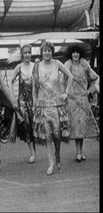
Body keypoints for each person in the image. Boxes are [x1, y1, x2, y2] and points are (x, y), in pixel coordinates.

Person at [32, 41, 73, 175]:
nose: (47, 53)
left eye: (49, 50)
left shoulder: (57, 64)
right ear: (41, 52)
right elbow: (34, 87)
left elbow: (70, 76)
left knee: (57, 135)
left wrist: (66, 92)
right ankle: (50, 163)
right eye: (44, 50)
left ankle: (58, 155)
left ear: (52, 51)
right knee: (47, 136)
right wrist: (34, 103)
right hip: (43, 106)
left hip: (57, 106)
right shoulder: (37, 66)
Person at [64, 44, 99, 162]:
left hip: (83, 101)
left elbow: (95, 79)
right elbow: (61, 81)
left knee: (82, 127)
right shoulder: (67, 66)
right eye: (73, 52)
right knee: (76, 127)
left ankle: (80, 152)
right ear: (70, 54)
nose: (75, 54)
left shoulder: (85, 65)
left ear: (80, 54)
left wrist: (89, 91)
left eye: (77, 52)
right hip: (72, 101)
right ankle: (78, 152)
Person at [9, 44, 36, 163]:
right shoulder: (18, 67)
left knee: (36, 126)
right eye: (25, 53)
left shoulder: (35, 66)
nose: (27, 55)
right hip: (23, 102)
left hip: (35, 101)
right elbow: (10, 82)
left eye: (29, 52)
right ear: (22, 55)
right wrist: (13, 98)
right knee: (27, 127)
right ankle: (33, 153)